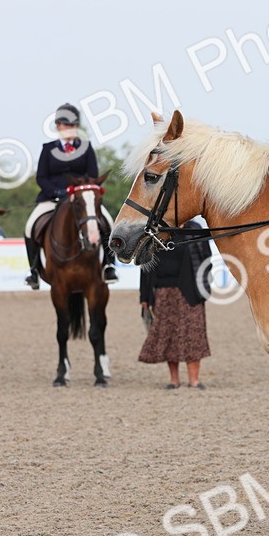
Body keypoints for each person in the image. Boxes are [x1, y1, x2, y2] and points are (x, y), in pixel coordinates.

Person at [23, 103, 118, 289]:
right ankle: (33, 270)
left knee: (108, 222)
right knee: (29, 226)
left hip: (83, 199)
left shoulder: (86, 147)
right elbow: (42, 177)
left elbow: (93, 174)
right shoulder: (48, 148)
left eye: (74, 125)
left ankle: (108, 264)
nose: (71, 129)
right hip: (53, 198)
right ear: (58, 126)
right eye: (67, 125)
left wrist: (80, 191)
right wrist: (58, 192)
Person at [138, 220, 215, 389]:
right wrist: (144, 296)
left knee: (193, 336)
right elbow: (145, 266)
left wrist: (204, 285)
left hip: (191, 291)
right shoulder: (154, 230)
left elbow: (206, 260)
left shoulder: (195, 229)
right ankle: (174, 380)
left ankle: (194, 380)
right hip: (163, 292)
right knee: (169, 337)